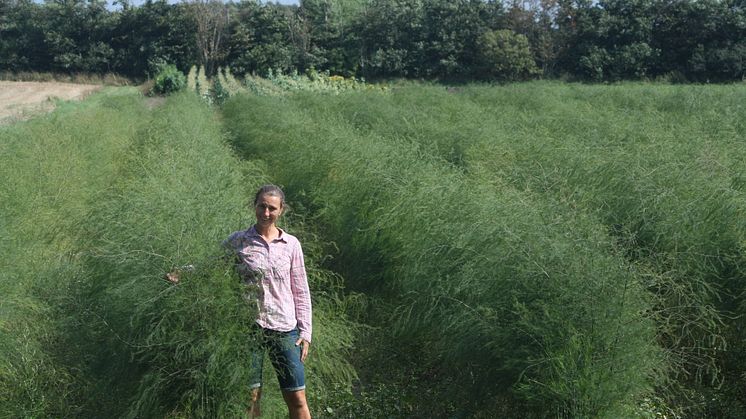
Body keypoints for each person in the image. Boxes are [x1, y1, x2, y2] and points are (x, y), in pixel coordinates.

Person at [167, 184, 312, 419]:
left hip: (285, 328)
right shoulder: (239, 241)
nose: (266, 213)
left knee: (296, 397)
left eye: (272, 208)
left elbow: (301, 290)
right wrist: (184, 274)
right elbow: (210, 266)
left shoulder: (291, 244)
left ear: (281, 210)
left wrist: (305, 332)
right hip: (248, 326)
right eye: (262, 206)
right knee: (251, 397)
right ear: (254, 206)